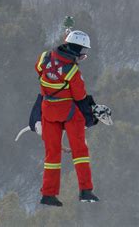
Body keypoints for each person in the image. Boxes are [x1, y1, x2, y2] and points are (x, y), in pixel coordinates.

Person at [33, 30, 100, 207]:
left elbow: (38, 69)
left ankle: (48, 194)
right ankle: (85, 191)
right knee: (80, 152)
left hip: (47, 111)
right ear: (77, 50)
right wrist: (90, 118)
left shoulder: (44, 58)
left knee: (52, 155)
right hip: (68, 112)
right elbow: (80, 97)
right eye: (83, 50)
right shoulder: (72, 71)